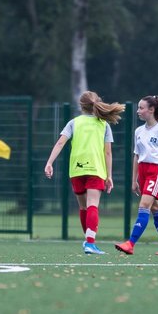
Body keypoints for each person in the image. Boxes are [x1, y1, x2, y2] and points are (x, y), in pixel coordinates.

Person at [44, 90, 124, 255]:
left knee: (83, 207)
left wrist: (49, 162)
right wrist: (109, 175)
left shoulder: (74, 122)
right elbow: (108, 153)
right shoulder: (104, 124)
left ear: (81, 106)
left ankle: (88, 241)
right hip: (95, 169)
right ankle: (90, 243)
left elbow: (60, 143)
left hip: (77, 169)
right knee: (92, 205)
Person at [114, 95, 158, 256]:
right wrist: (134, 180)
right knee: (155, 208)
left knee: (144, 205)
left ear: (151, 110)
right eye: (138, 108)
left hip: (157, 170)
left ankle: (130, 244)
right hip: (144, 171)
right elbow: (136, 156)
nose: (138, 111)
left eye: (141, 108)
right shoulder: (138, 131)